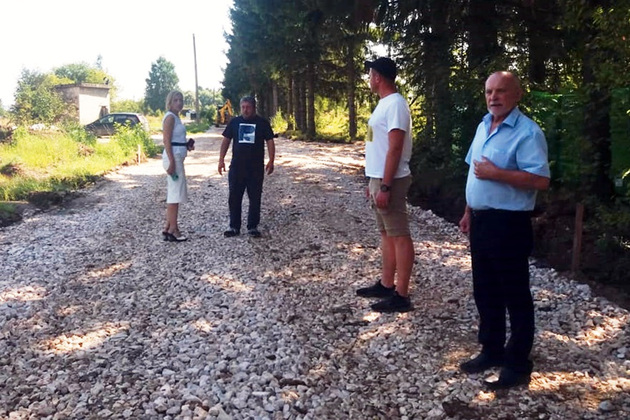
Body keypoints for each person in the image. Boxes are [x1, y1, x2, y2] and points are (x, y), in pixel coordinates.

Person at [458, 71, 550, 390]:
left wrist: (497, 173)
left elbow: (541, 180)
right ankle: (492, 349)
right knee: (485, 290)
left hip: (509, 224)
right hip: (481, 220)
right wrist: (468, 210)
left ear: (517, 94)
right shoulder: (483, 125)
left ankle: (518, 364)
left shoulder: (528, 132)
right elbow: (473, 172)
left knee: (515, 294)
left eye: (501, 91)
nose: (493, 97)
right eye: (489, 91)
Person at [355, 57, 415, 313]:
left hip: (392, 179)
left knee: (399, 235)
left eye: (370, 74)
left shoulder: (396, 104)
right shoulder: (384, 104)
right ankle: (386, 283)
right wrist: (373, 180)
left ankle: (402, 295)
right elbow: (378, 146)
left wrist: (387, 185)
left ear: (378, 77)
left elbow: (395, 148)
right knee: (386, 233)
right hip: (379, 178)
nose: (369, 78)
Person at [218, 96, 275, 238]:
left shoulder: (262, 123)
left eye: (248, 107)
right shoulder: (234, 122)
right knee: (234, 197)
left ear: (254, 108)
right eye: (243, 107)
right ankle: (234, 226)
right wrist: (221, 160)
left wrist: (271, 160)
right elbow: (226, 141)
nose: (245, 110)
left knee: (255, 198)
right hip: (237, 167)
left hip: (255, 168)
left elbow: (270, 141)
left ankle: (252, 226)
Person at [162, 90, 194, 242]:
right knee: (175, 194)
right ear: (169, 102)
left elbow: (175, 139)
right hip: (173, 157)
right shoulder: (170, 118)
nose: (179, 103)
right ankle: (174, 229)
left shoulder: (176, 117)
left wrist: (186, 145)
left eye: (181, 100)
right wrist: (172, 161)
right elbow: (166, 141)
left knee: (174, 192)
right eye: (175, 100)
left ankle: (168, 227)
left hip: (177, 156)